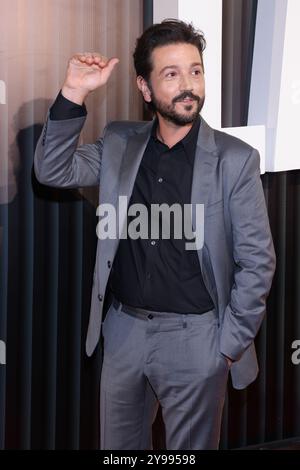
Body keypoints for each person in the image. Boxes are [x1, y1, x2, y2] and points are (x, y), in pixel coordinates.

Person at [34, 19, 276, 450]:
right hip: (124, 333)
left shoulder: (234, 160)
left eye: (195, 71)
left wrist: (225, 347)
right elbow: (53, 169)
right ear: (144, 88)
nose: (188, 85)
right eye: (171, 73)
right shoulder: (119, 142)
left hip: (197, 339)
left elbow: (257, 261)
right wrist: (74, 92)